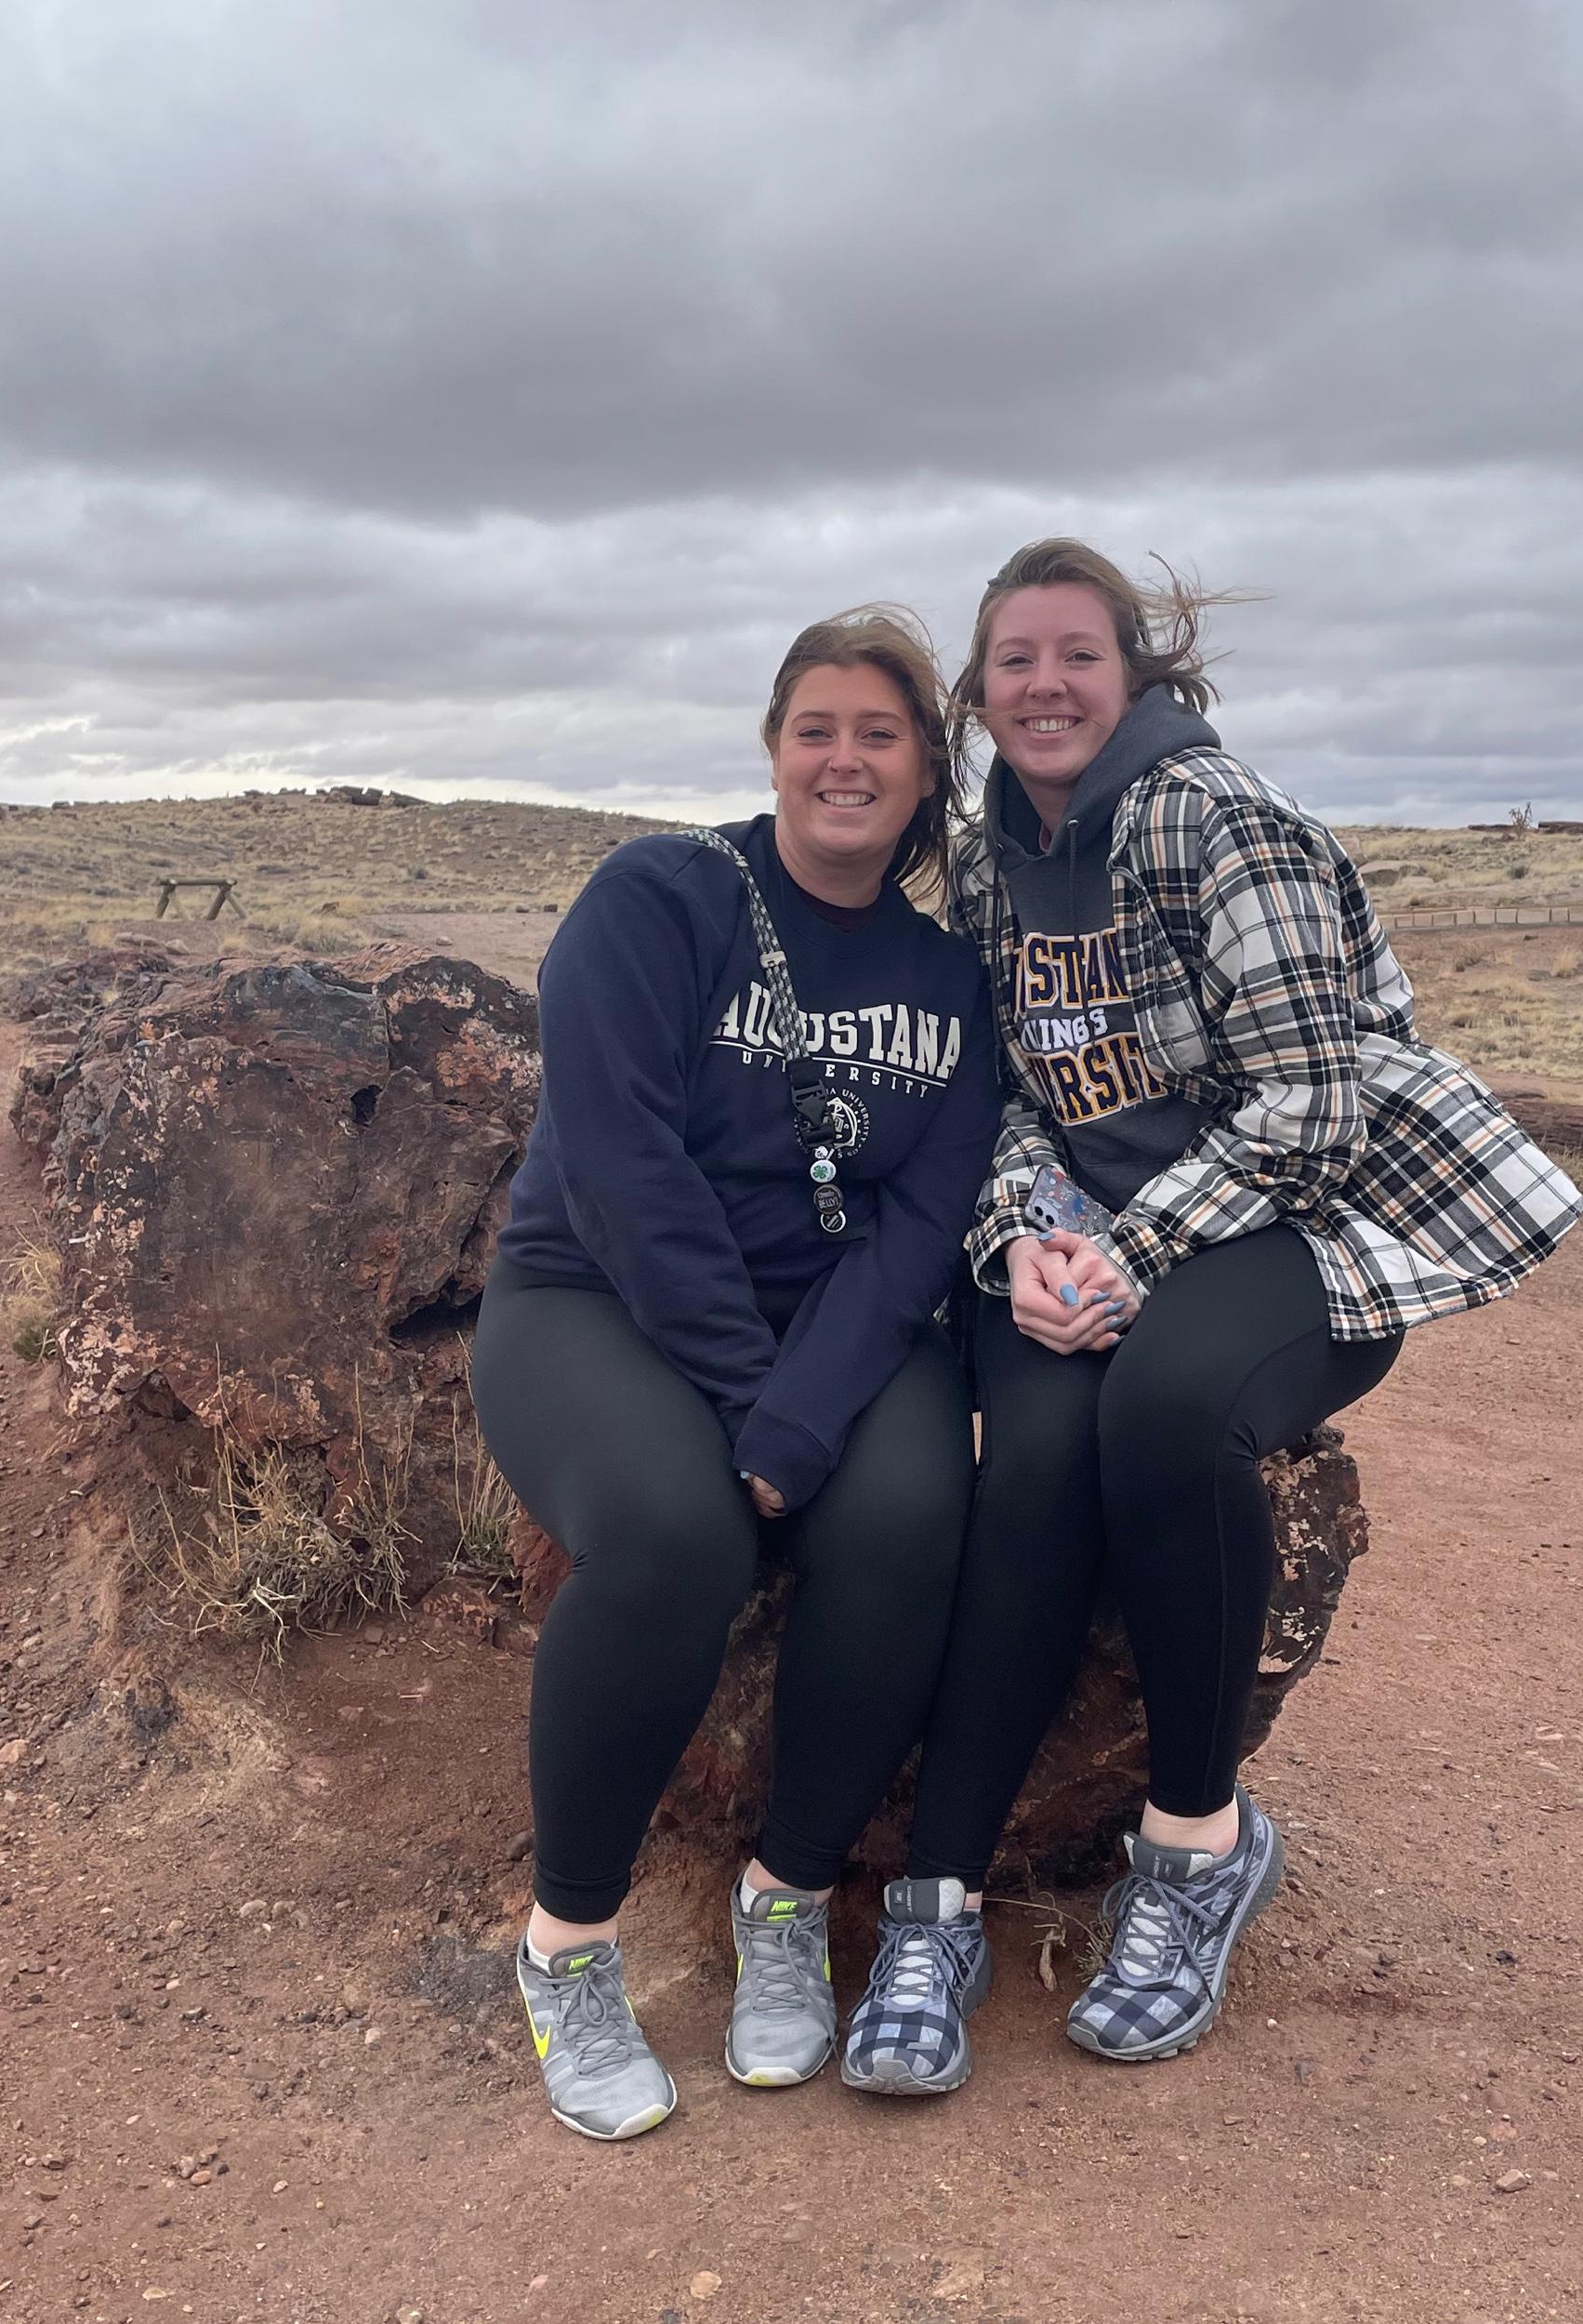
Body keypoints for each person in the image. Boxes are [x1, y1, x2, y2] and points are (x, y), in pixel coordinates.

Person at [838, 540, 1583, 2095]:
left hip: (1300, 1226)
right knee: (1035, 1464)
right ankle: (936, 1905)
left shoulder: (1215, 820)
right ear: (980, 692)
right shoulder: (986, 859)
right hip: (1096, 1235)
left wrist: (1130, 1256)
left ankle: (1195, 1849)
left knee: (1166, 1413)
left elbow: (1309, 1110)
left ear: (1136, 671)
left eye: (1079, 654)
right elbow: (1003, 1095)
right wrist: (1030, 1241)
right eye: (1016, 660)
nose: (1047, 685)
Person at [471, 607, 999, 2139]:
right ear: (773, 750)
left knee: (905, 1517)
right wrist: (745, 1403)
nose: (846, 759)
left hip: (840, 1322)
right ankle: (568, 1944)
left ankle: (788, 1896)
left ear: (925, 771)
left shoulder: (949, 981)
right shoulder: (660, 898)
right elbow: (620, 1165)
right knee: (676, 1535)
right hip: (594, 1298)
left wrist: (802, 1413)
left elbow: (920, 1226)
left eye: (880, 735)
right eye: (815, 728)